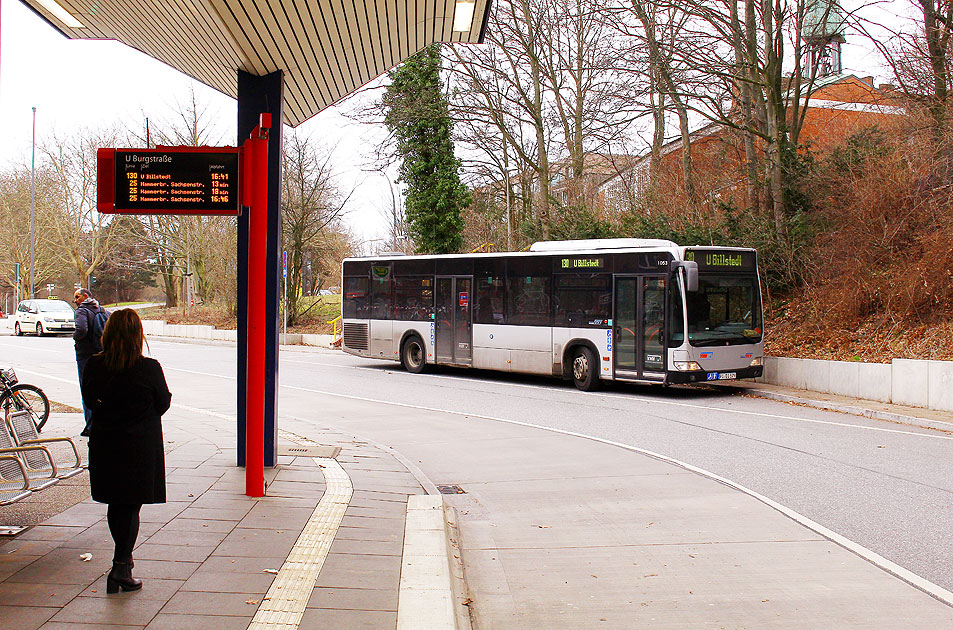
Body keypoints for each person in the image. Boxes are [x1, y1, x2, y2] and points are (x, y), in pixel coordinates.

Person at [81, 309, 171, 594]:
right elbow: (163, 402)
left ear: (107, 334)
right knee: (131, 505)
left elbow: (89, 400)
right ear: (137, 335)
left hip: (106, 442)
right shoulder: (149, 367)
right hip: (139, 445)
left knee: (116, 502)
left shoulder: (95, 366)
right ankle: (121, 567)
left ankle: (122, 565)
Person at [72, 288, 108, 436]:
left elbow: (81, 330)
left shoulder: (81, 311)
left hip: (85, 355)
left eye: (77, 297)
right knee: (101, 389)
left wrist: (75, 338)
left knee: (87, 389)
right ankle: (102, 422)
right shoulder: (102, 310)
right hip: (100, 352)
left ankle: (90, 425)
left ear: (85, 297)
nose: (75, 300)